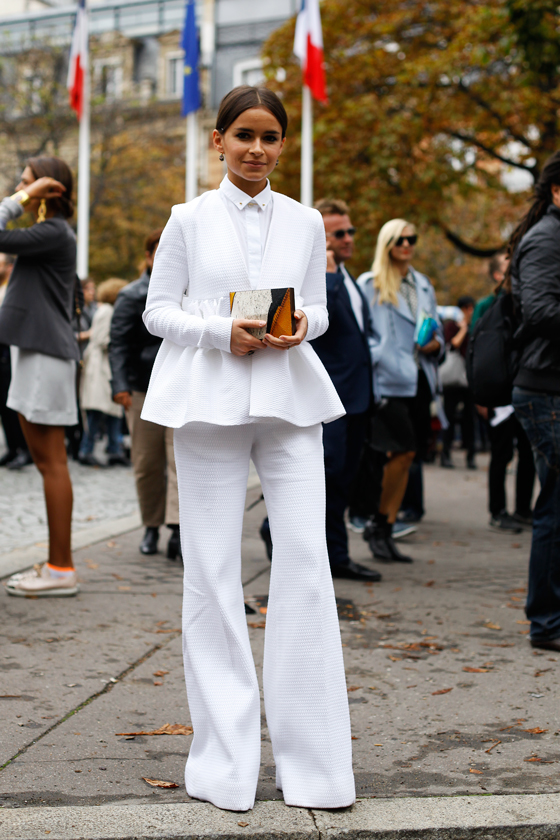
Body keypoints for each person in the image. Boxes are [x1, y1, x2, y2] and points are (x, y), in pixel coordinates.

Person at [141, 85, 355, 812]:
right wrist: (217, 333)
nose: (258, 149)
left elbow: (320, 307)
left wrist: (304, 330)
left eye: (271, 137)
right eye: (244, 136)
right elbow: (156, 310)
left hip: (290, 399)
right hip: (207, 401)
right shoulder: (187, 219)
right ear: (220, 141)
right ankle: (223, 764)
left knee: (306, 564)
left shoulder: (304, 222)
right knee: (210, 575)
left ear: (283, 144)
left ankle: (318, 767)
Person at [0, 156, 80, 597]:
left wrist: (19, 199)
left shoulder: (52, 231)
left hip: (45, 353)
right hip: (38, 351)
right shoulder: (48, 234)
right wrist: (26, 193)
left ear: (50, 191)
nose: (20, 188)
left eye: (28, 183)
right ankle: (57, 564)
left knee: (51, 463)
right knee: (48, 462)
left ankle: (61, 568)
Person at [360, 219, 443, 564]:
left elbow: (433, 324)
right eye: (399, 239)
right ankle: (378, 523)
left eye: (412, 238)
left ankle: (384, 525)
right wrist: (378, 356)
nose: (407, 245)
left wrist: (434, 344)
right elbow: (359, 330)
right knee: (399, 451)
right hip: (388, 380)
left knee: (409, 454)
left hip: (419, 377)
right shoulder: (371, 282)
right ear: (387, 243)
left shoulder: (422, 284)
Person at [509, 150, 560, 652]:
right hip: (545, 389)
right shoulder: (546, 238)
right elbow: (542, 311)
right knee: (555, 507)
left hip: (551, 386)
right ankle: (546, 623)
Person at [109, 230, 181, 560]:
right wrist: (120, 386)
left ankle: (178, 530)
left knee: (180, 461)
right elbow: (119, 345)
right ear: (149, 256)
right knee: (147, 462)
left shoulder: (186, 289)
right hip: (142, 388)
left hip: (181, 386)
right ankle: (151, 527)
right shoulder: (131, 295)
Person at [472, 253, 535, 532]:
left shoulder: (526, 302)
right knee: (501, 452)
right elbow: (477, 353)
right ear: (498, 275)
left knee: (528, 452)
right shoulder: (488, 305)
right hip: (499, 393)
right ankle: (497, 511)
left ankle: (523, 509)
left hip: (526, 388)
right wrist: (480, 395)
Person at [79, 278, 129, 467]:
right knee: (97, 412)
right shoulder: (107, 311)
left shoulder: (107, 310)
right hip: (100, 367)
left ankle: (113, 449)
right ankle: (87, 449)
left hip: (105, 367)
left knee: (110, 411)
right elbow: (100, 338)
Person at [0, 252, 32, 469]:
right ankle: (12, 448)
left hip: (11, 350)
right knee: (3, 404)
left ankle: (25, 449)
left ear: (10, 267)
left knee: (14, 402)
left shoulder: (16, 289)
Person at [440, 295, 477, 470]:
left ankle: (471, 455)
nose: (470, 312)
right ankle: (445, 453)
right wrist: (463, 329)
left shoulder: (475, 327)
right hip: (453, 380)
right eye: (468, 308)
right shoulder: (452, 326)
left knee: (470, 419)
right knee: (448, 416)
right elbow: (453, 344)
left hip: (469, 379)